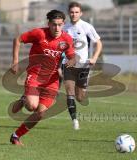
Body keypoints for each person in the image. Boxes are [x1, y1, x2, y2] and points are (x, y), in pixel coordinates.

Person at [9, 9, 75, 146]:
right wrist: (15, 61)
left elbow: (72, 56)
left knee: (40, 113)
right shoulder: (39, 33)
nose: (57, 28)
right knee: (32, 106)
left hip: (52, 80)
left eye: (60, 24)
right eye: (54, 24)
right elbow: (18, 39)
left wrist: (71, 63)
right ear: (49, 23)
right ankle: (24, 99)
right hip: (35, 76)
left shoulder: (66, 39)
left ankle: (16, 136)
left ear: (63, 24)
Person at [62, 1, 102, 130]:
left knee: (80, 97)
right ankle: (75, 121)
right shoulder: (64, 28)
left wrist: (94, 58)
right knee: (69, 92)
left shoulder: (86, 27)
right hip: (68, 64)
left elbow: (99, 43)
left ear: (81, 13)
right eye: (72, 12)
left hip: (83, 65)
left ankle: (83, 88)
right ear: (69, 13)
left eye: (76, 12)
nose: (74, 14)